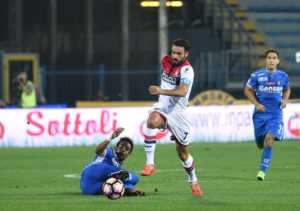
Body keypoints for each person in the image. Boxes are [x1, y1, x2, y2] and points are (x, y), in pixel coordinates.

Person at [140, 38, 204, 196]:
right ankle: (149, 164)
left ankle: (193, 180)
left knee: (182, 152)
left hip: (178, 114)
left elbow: (182, 91)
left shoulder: (187, 70)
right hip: (162, 108)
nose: (174, 55)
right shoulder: (167, 62)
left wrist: (160, 91)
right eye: (173, 52)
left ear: (186, 54)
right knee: (151, 121)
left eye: (178, 53)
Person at [244, 49, 291, 181]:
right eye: (269, 58)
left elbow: (287, 89)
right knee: (261, 144)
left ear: (278, 61)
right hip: (260, 115)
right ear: (266, 60)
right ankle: (262, 143)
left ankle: (262, 172)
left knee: (269, 140)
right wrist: (256, 104)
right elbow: (247, 90)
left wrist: (285, 100)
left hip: (275, 115)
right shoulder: (257, 75)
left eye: (274, 58)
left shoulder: (283, 76)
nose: (271, 60)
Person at [80, 127, 145, 196]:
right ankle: (126, 180)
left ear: (129, 154)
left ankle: (129, 189)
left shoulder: (117, 165)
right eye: (121, 146)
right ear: (116, 148)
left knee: (118, 184)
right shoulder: (109, 152)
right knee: (135, 178)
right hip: (95, 169)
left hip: (88, 188)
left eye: (126, 149)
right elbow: (98, 151)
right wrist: (110, 138)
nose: (123, 149)